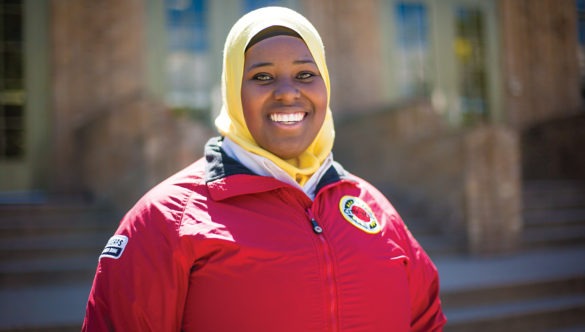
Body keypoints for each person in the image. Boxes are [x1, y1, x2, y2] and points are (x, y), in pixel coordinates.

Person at [82, 6, 446, 331]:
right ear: (232, 93)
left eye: (305, 75)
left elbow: (426, 319)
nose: (288, 92)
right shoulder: (165, 219)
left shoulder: (372, 206)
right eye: (262, 77)